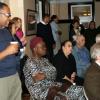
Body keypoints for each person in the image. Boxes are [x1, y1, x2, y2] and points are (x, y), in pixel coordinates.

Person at [0, 2, 22, 100]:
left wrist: (16, 49)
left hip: (14, 74)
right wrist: (7, 52)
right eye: (7, 15)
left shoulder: (5, 31)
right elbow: (8, 51)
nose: (9, 18)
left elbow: (13, 49)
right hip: (2, 78)